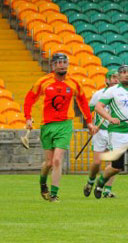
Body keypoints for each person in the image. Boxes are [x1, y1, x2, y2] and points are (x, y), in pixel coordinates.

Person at [24, 53, 96, 202]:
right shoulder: (43, 82)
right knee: (48, 163)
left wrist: (89, 122)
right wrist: (28, 118)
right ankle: (43, 183)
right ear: (53, 65)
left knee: (57, 160)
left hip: (65, 124)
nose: (62, 65)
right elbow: (29, 99)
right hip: (47, 125)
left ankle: (54, 194)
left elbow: (83, 102)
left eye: (64, 62)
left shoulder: (74, 83)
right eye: (59, 63)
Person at [93, 65, 128, 200]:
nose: (126, 75)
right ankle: (101, 182)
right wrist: (110, 118)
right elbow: (99, 107)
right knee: (117, 167)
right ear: (119, 76)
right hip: (116, 133)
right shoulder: (112, 91)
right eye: (123, 73)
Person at [83, 69, 119, 198]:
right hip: (100, 131)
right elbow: (88, 110)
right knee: (97, 162)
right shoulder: (99, 94)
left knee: (113, 163)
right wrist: (91, 125)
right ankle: (90, 181)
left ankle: (107, 189)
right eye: (113, 77)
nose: (116, 79)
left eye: (117, 77)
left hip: (114, 132)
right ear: (107, 80)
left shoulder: (122, 95)